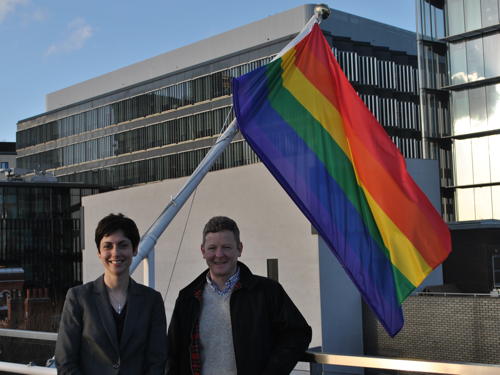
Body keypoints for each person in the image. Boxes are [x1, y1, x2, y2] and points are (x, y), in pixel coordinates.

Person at [167, 216, 312, 375]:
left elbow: (298, 334)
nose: (219, 254)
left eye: (227, 247)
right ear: (203, 251)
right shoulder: (188, 297)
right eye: (212, 248)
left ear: (240, 249)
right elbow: (173, 355)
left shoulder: (267, 292)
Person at [55, 213, 167, 374]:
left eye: (123, 245)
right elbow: (65, 361)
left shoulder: (152, 301)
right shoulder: (79, 298)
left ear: (135, 250)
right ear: (99, 253)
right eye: (108, 246)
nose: (115, 253)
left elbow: (157, 361)